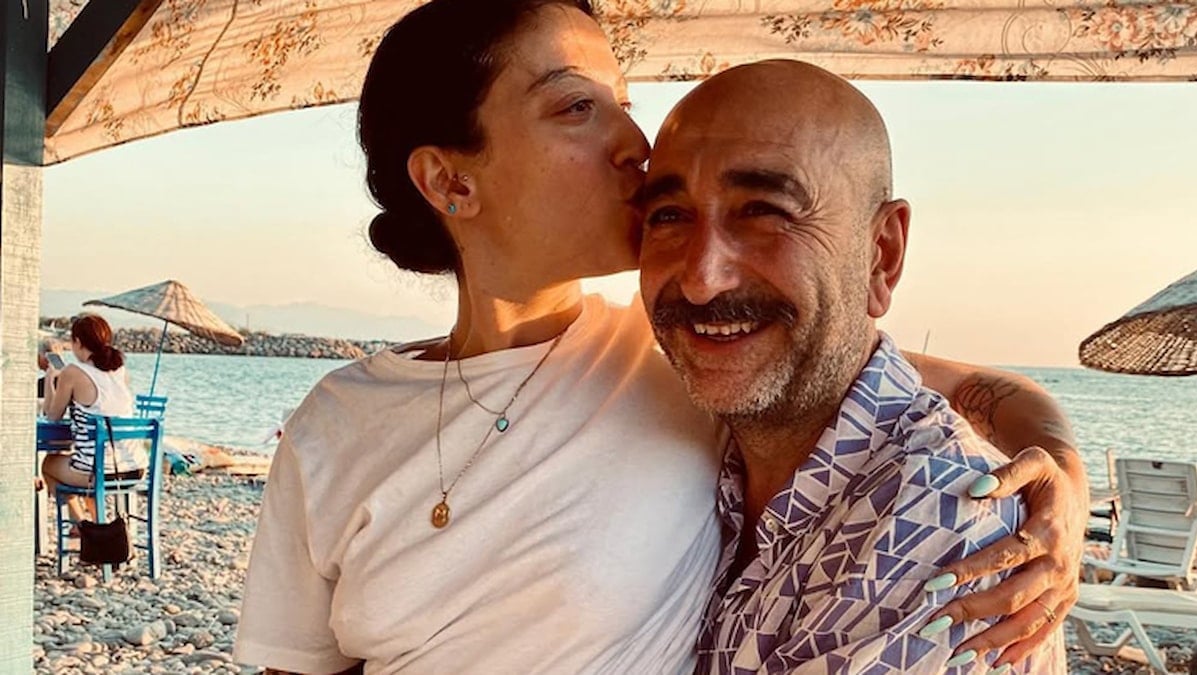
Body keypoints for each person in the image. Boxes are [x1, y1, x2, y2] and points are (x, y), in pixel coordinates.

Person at [234, 1, 1086, 673]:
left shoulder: (677, 354)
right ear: (450, 181)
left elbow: (924, 381)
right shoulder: (335, 424)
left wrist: (1059, 478)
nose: (634, 144)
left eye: (624, 104)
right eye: (578, 106)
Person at [640, 59, 1065, 674]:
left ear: (881, 255)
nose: (702, 279)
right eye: (668, 216)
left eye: (764, 211)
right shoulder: (702, 443)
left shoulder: (940, 525)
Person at [41, 314, 140, 524]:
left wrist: (50, 379)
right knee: (83, 463)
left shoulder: (72, 372)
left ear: (77, 342)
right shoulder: (120, 371)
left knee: (49, 465)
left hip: (100, 472)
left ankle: (83, 525)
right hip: (134, 468)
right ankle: (97, 525)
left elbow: (52, 416)